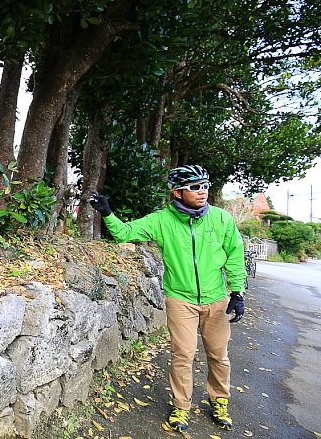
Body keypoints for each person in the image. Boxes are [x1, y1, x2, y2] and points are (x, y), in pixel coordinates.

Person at [90, 164, 245, 433]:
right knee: (183, 355)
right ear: (177, 192)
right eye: (195, 187)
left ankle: (219, 402)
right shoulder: (161, 220)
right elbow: (124, 233)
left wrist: (238, 292)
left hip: (216, 298)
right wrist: (107, 213)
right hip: (180, 299)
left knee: (218, 355)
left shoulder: (221, 219)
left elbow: (235, 255)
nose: (202, 192)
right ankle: (181, 407)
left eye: (205, 186)